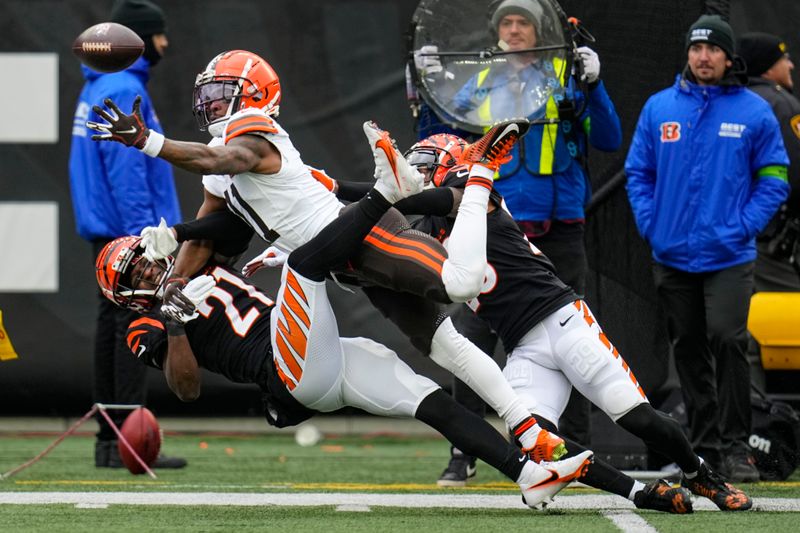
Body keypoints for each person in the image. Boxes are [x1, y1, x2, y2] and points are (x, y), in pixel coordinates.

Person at [85, 48, 569, 464]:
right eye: (207, 93)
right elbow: (210, 234)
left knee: (463, 284)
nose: (210, 102)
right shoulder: (219, 153)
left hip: (360, 236)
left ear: (253, 94)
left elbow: (220, 161)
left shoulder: (252, 132)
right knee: (443, 345)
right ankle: (527, 430)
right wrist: (173, 263)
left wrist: (148, 142)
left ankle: (479, 174)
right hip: (338, 260)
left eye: (221, 91)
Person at [93, 128, 594, 509]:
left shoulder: (193, 266)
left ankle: (528, 475)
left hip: (316, 354)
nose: (150, 265)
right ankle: (384, 192)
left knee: (426, 397)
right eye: (138, 267)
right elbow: (186, 390)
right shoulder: (146, 324)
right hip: (287, 368)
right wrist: (176, 322)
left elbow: (231, 222)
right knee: (302, 260)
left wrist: (179, 231)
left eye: (144, 255)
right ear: (125, 292)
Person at [321, 131, 752, 512]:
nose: (414, 177)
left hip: (563, 323)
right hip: (523, 345)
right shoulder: (425, 229)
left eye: (424, 168)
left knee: (636, 417)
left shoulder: (473, 193)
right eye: (411, 169)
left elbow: (421, 198)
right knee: (537, 446)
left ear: (453, 168)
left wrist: (352, 187)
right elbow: (381, 225)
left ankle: (700, 474)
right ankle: (639, 492)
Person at [413, 0, 622, 485]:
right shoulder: (478, 82)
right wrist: (425, 89)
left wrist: (595, 83)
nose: (513, 30)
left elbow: (608, 137)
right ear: (496, 31)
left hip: (559, 231)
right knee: (471, 338)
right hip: (491, 229)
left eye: (523, 22)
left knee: (573, 342)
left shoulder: (563, 76)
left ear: (539, 29)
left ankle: (570, 447)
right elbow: (435, 139)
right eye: (506, 22)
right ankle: (463, 452)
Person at [625, 15, 790, 483]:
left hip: (730, 254)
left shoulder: (754, 111)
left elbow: (775, 178)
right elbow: (639, 173)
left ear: (728, 57)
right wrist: (651, 225)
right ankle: (704, 452)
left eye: (713, 49)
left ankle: (738, 450)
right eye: (696, 49)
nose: (703, 57)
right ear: (689, 55)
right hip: (671, 253)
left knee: (727, 338)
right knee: (691, 349)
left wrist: (745, 226)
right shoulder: (660, 108)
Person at [68, 0, 185, 469]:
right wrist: (145, 240)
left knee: (110, 328)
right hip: (127, 231)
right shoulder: (122, 85)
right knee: (131, 328)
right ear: (137, 38)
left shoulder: (101, 84)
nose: (164, 43)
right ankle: (128, 445)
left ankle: (110, 442)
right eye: (157, 34)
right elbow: (128, 172)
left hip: (107, 229)